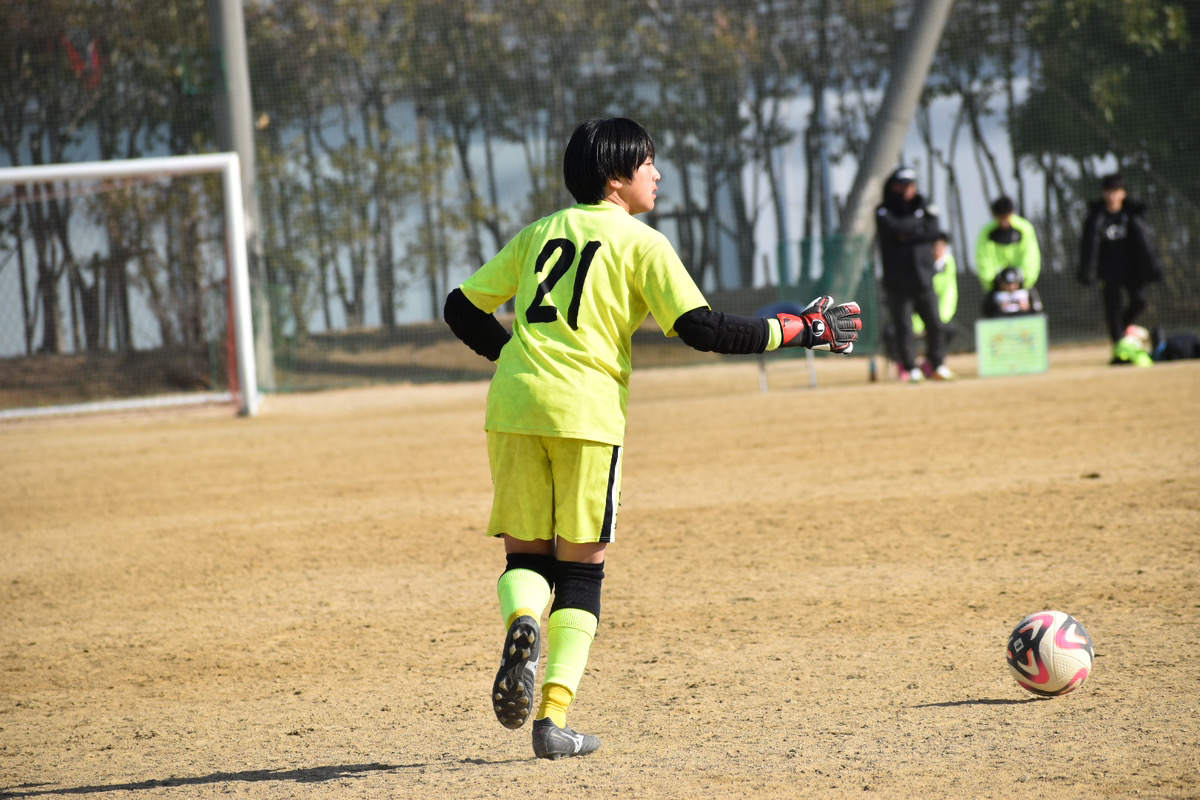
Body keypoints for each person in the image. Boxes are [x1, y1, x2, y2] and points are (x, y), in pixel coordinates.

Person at [443, 118, 862, 761]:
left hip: (515, 407)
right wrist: (798, 327)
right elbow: (704, 329)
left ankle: (522, 623)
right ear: (617, 178)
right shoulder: (641, 243)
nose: (657, 175)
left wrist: (513, 361)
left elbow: (460, 307)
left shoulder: (539, 233)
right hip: (586, 415)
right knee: (582, 571)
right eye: (648, 164)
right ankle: (552, 721)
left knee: (525, 557)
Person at [875, 166, 952, 381]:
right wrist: (917, 225)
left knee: (935, 323)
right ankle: (910, 367)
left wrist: (906, 231)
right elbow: (893, 227)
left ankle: (937, 363)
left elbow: (933, 232)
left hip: (923, 276)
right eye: (904, 185)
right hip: (897, 280)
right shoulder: (884, 209)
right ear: (894, 186)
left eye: (912, 184)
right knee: (904, 326)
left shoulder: (924, 204)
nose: (909, 189)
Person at [1078, 173, 1163, 346]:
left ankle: (1123, 328)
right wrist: (1089, 271)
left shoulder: (1132, 214)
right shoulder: (1096, 217)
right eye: (1108, 192)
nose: (1112, 196)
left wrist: (1152, 266)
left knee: (1140, 300)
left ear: (1123, 193)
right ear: (1103, 194)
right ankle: (1119, 345)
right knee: (1113, 309)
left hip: (1132, 268)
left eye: (1116, 191)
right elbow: (1089, 247)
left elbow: (1145, 242)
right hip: (1108, 270)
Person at [910, 231, 958, 378]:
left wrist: (937, 320)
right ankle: (908, 365)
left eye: (941, 247)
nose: (938, 251)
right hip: (917, 317)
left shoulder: (948, 263)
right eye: (934, 247)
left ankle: (930, 362)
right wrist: (918, 324)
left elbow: (949, 295)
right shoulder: (917, 265)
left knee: (946, 329)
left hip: (935, 316)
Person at [975, 196, 1041, 294]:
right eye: (1001, 217)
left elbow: (1031, 256)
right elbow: (983, 259)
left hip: (1023, 286)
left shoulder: (1025, 229)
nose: (1004, 221)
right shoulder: (986, 233)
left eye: (1007, 216)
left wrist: (1024, 279)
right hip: (997, 287)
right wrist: (993, 282)